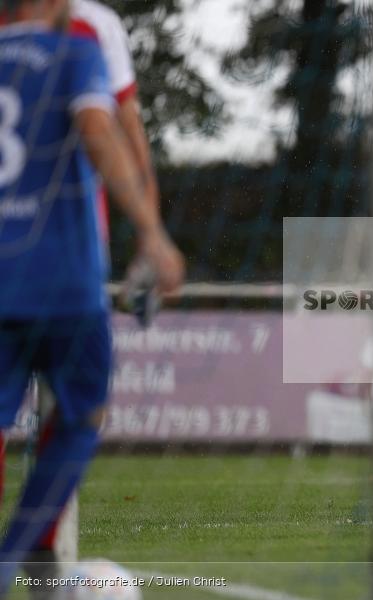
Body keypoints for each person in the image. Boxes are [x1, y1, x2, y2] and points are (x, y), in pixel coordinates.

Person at [0, 0, 183, 593]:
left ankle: (33, 555)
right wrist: (150, 233)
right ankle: (22, 551)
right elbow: (110, 130)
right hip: (65, 270)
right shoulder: (81, 41)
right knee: (82, 414)